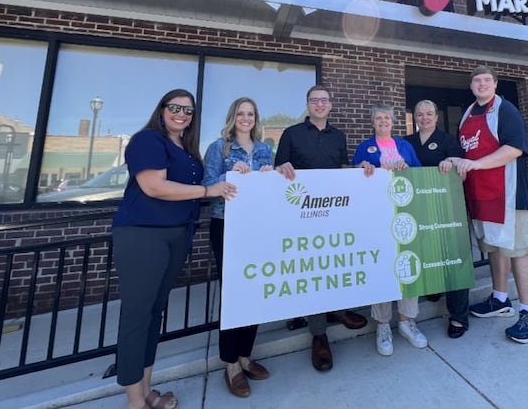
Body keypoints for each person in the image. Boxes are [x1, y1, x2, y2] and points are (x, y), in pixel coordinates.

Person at [112, 89, 236, 409]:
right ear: (162, 109)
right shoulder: (149, 140)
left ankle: (146, 390)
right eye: (175, 107)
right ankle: (133, 401)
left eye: (188, 110)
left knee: (155, 313)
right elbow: (154, 186)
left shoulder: (186, 148)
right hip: (143, 235)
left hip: (177, 236)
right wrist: (208, 189)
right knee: (137, 316)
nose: (181, 114)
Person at [274, 84, 371, 371]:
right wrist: (282, 169)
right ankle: (319, 334)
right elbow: (280, 170)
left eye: (324, 100)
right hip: (301, 214)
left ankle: (337, 309)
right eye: (314, 100)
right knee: (312, 269)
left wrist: (359, 168)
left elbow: (341, 169)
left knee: (333, 263)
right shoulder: (291, 133)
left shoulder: (339, 136)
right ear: (308, 104)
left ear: (330, 105)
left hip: (334, 212)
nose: (319, 104)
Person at [449, 66, 528, 343]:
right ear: (471, 86)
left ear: (495, 84)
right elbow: (464, 151)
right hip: (481, 194)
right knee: (494, 247)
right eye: (477, 80)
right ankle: (500, 299)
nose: (482, 84)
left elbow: (514, 147)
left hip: (508, 194)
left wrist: (477, 164)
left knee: (519, 250)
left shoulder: (506, 110)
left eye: (487, 80)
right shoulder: (467, 115)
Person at [203, 97, 273, 398]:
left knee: (255, 289)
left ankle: (246, 355)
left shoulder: (265, 148)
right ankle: (230, 363)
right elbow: (208, 186)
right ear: (233, 117)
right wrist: (229, 175)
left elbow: (270, 192)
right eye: (241, 113)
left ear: (256, 118)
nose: (246, 118)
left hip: (257, 226)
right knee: (234, 294)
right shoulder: (219, 148)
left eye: (251, 114)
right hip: (227, 225)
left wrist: (271, 177)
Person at [352, 103, 427, 356]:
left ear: (393, 122)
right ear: (373, 122)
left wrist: (408, 170)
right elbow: (353, 178)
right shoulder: (365, 147)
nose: (383, 121)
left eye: (387, 117)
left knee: (408, 263)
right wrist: (362, 168)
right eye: (379, 118)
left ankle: (407, 321)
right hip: (377, 215)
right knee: (382, 266)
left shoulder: (405, 146)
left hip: (405, 212)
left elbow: (419, 173)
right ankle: (383, 325)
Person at [404, 99, 470, 339]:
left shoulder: (448, 141)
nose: (424, 118)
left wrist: (450, 162)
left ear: (436, 116)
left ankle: (458, 317)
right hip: (417, 209)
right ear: (414, 117)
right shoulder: (406, 142)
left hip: (446, 209)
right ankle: (433, 288)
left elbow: (461, 170)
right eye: (420, 114)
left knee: (453, 259)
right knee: (427, 255)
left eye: (429, 113)